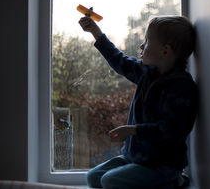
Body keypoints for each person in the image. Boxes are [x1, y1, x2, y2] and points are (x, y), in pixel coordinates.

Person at [78, 15, 198, 189]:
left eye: (147, 41)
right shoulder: (146, 73)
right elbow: (119, 61)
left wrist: (133, 130)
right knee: (94, 177)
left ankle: (173, 181)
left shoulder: (182, 88)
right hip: (136, 157)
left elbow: (171, 130)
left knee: (109, 181)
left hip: (161, 164)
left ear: (165, 51)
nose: (142, 46)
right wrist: (95, 32)